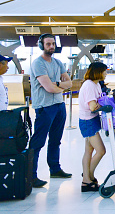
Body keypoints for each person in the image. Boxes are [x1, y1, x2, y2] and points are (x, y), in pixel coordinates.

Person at [29, 34, 73, 188]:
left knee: (56, 140)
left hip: (59, 106)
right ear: (41, 45)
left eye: (53, 44)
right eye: (48, 44)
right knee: (38, 142)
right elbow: (49, 88)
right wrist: (59, 86)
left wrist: (57, 84)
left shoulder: (58, 62)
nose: (51, 47)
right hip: (44, 107)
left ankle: (55, 169)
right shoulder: (38, 64)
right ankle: (31, 175)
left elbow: (70, 83)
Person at [78, 62, 107, 192]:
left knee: (88, 151)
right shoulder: (89, 85)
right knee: (101, 151)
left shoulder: (95, 84)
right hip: (87, 121)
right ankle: (87, 178)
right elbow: (92, 107)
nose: (106, 74)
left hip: (92, 119)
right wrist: (104, 105)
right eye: (104, 71)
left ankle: (87, 181)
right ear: (98, 72)